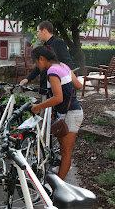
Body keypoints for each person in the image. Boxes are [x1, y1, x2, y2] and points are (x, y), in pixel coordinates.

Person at [30, 46, 83, 180]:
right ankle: (61, 172)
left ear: (42, 58)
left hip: (70, 114)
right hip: (69, 112)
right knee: (64, 150)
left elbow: (58, 98)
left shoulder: (52, 72)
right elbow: (78, 85)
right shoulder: (63, 66)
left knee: (66, 153)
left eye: (36, 62)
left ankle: (59, 187)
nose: (36, 65)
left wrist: (38, 106)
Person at [20, 21, 74, 95]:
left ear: (44, 31)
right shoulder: (45, 45)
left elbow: (67, 63)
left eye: (38, 32)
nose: (37, 34)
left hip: (56, 86)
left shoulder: (58, 43)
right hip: (46, 85)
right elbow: (39, 66)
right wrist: (28, 79)